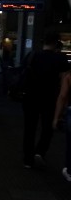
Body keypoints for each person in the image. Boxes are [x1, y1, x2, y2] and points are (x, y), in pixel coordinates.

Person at [22, 31, 69, 168]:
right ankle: (40, 151)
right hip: (50, 99)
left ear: (43, 42)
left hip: (30, 97)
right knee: (48, 128)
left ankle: (27, 160)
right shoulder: (60, 58)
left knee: (29, 128)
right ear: (56, 43)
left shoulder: (32, 55)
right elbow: (65, 79)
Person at [53, 71, 71, 182]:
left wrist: (56, 117)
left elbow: (62, 96)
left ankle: (69, 170)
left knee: (70, 143)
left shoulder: (68, 76)